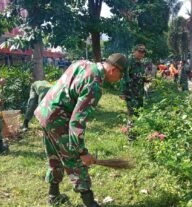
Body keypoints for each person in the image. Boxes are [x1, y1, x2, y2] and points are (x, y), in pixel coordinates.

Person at [34, 53, 127, 207]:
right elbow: (77, 121)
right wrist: (82, 152)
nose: (120, 79)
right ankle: (89, 202)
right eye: (121, 75)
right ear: (114, 70)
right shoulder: (95, 84)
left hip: (45, 112)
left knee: (54, 156)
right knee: (75, 160)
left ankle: (53, 195)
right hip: (58, 119)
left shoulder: (83, 63)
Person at [120, 44, 146, 141]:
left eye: (143, 52)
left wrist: (145, 79)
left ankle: (136, 134)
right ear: (134, 51)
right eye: (139, 52)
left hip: (139, 93)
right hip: (130, 93)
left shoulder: (141, 63)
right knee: (132, 113)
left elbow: (139, 76)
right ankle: (131, 137)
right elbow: (124, 77)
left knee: (139, 113)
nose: (141, 54)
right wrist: (122, 92)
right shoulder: (129, 62)